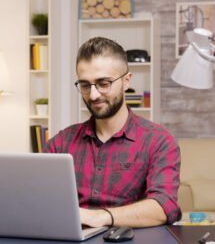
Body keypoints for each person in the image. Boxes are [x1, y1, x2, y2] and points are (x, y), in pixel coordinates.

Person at [44, 37, 182, 228]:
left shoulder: (158, 141)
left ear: (126, 81)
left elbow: (164, 207)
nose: (93, 95)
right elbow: (40, 200)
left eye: (103, 83)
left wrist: (100, 217)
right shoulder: (60, 143)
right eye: (85, 85)